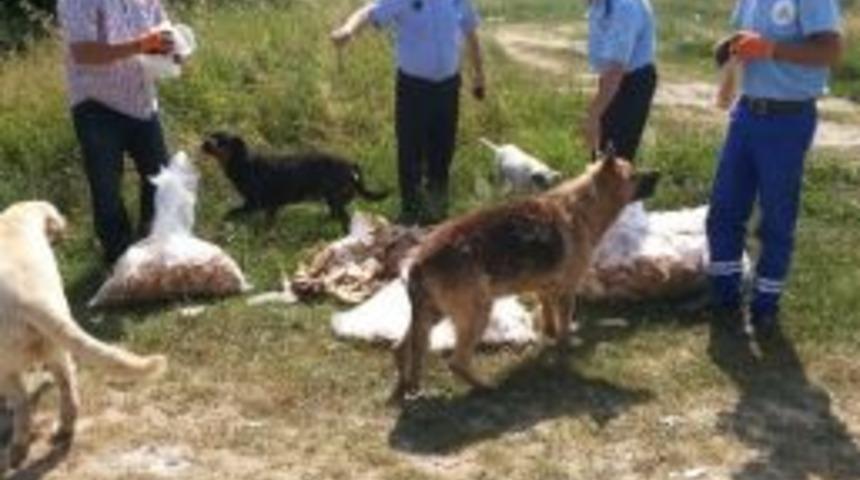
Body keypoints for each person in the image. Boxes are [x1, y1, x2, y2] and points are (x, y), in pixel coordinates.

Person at [706, 0, 842, 338]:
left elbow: (830, 50)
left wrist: (771, 49)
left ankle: (765, 305)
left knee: (777, 217)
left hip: (788, 117)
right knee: (724, 209)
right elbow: (744, 36)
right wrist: (729, 46)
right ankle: (724, 296)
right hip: (746, 112)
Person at [331, 0, 486, 225]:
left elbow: (471, 32)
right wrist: (348, 29)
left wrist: (479, 74)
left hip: (448, 87)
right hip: (414, 88)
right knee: (411, 150)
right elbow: (369, 11)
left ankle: (437, 211)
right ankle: (411, 212)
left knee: (443, 148)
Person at [57, 0, 176, 264]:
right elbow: (84, 54)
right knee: (106, 189)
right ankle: (118, 261)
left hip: (142, 101)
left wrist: (174, 50)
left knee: (161, 178)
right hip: (96, 105)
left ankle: (153, 247)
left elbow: (164, 35)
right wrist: (140, 45)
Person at [582, 0, 658, 161]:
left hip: (633, 83)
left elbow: (616, 68)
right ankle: (599, 182)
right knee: (602, 149)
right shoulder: (601, 4)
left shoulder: (625, 6)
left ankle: (620, 185)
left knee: (616, 155)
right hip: (614, 78)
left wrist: (593, 115)